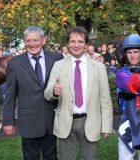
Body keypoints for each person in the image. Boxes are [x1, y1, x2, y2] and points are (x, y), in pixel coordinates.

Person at [44, 26, 113, 160]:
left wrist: (107, 126)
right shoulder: (58, 65)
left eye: (80, 42)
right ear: (68, 44)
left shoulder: (98, 67)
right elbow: (47, 94)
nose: (76, 45)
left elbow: (105, 98)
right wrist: (54, 91)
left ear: (86, 45)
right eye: (72, 41)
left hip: (90, 121)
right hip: (65, 122)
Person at [2, 26, 63, 160]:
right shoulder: (15, 64)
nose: (32, 44)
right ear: (24, 42)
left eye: (35, 40)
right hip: (28, 121)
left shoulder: (56, 58)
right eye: (28, 41)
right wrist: (7, 121)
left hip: (51, 119)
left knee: (51, 156)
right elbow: (10, 95)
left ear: (44, 40)